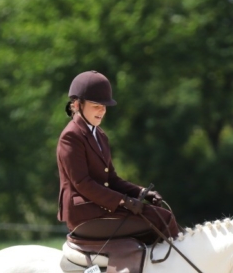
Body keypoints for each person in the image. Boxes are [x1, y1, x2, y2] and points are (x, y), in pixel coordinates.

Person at [56, 71, 179, 241]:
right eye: (96, 106)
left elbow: (111, 179)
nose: (102, 111)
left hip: (102, 207)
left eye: (104, 106)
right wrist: (123, 201)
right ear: (77, 105)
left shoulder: (100, 135)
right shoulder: (71, 136)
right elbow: (82, 183)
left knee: (164, 216)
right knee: (161, 220)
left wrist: (140, 192)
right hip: (84, 214)